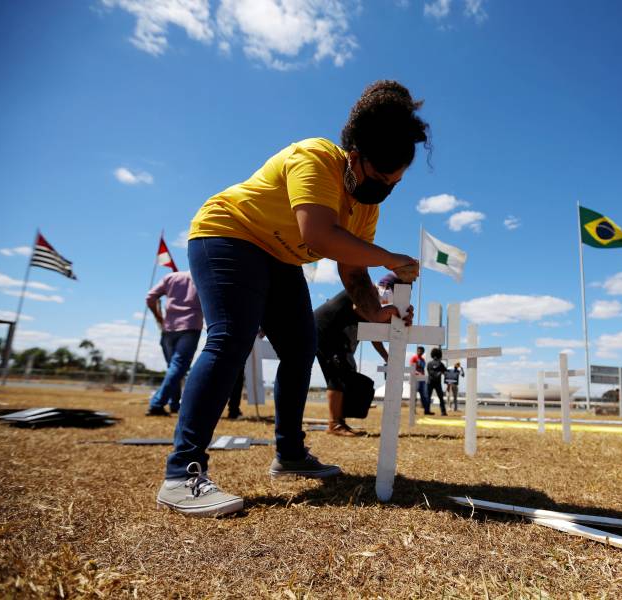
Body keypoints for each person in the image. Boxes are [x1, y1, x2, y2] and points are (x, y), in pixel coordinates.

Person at [155, 80, 429, 517]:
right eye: (380, 178)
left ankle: (290, 454)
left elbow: (352, 268)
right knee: (231, 339)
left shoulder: (366, 204)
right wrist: (391, 259)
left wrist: (376, 310)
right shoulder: (316, 157)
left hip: (280, 258)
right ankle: (181, 473)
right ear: (354, 155)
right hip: (228, 235)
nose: (384, 190)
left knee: (302, 348)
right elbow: (318, 235)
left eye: (394, 184)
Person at [314, 283, 390, 436]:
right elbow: (358, 308)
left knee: (345, 374)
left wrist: (386, 356)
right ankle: (334, 424)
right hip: (326, 331)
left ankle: (339, 422)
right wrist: (384, 315)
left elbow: (374, 334)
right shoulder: (369, 289)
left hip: (334, 336)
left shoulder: (372, 304)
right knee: (337, 376)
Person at [145, 271, 203, 416]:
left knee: (174, 368)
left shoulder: (171, 277)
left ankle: (174, 404)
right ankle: (157, 403)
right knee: (178, 367)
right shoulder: (201, 276)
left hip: (169, 327)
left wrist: (159, 317)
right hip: (191, 326)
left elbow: (150, 297)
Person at [426, 347, 447, 416]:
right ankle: (443, 412)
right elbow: (445, 372)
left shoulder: (429, 363)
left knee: (429, 397)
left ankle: (427, 411)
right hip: (436, 383)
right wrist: (440, 373)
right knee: (440, 397)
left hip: (431, 382)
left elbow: (430, 372)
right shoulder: (440, 364)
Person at [409, 346, 431, 415]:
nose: (420, 352)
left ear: (423, 352)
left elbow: (423, 369)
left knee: (425, 395)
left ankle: (426, 411)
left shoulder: (423, 360)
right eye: (419, 350)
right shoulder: (414, 358)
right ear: (417, 351)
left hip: (422, 379)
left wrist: (424, 376)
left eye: (421, 351)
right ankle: (413, 411)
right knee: (413, 395)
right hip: (415, 378)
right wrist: (417, 373)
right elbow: (411, 368)